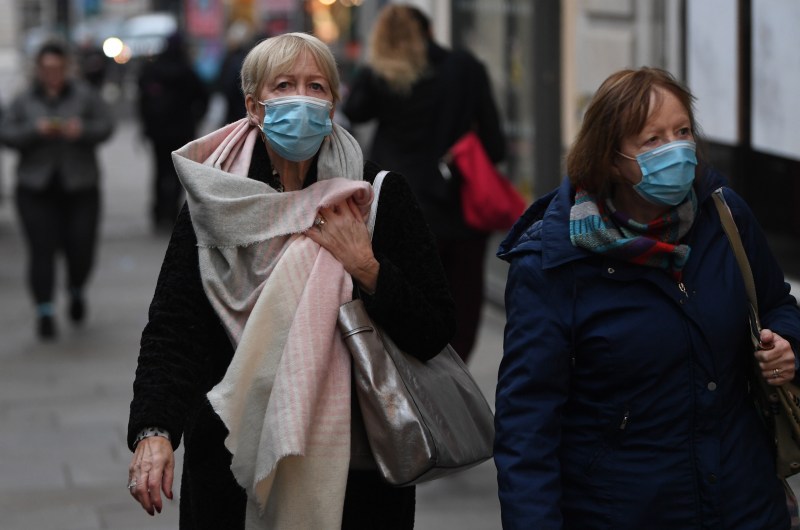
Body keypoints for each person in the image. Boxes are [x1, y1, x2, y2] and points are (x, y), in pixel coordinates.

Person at [125, 32, 455, 529]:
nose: (302, 98)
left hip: (355, 466)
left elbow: (433, 328)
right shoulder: (216, 206)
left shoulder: (375, 197)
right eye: (284, 85)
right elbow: (175, 328)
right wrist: (155, 429)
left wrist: (366, 266)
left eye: (316, 86)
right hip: (231, 458)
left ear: (333, 104)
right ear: (254, 106)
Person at [494, 67, 800, 528]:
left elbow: (778, 303)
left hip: (744, 503)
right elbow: (526, 428)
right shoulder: (553, 263)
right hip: (623, 509)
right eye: (652, 140)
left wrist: (786, 344)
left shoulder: (725, 216)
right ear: (611, 158)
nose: (675, 150)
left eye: (682, 132)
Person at [342, 4, 505, 363]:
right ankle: (453, 389)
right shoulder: (466, 69)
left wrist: (372, 66)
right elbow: (495, 145)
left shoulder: (381, 75)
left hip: (392, 210)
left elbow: (354, 110)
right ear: (431, 33)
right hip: (456, 210)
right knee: (460, 316)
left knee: (400, 307)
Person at [0, 40, 114, 339]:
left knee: (81, 249)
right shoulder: (23, 100)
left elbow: (106, 125)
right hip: (35, 189)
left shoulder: (85, 95)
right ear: (38, 69)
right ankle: (45, 311)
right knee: (41, 251)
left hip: (80, 187)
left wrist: (82, 131)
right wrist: (33, 131)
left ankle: (76, 289)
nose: (51, 73)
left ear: (66, 68)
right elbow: (7, 133)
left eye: (57, 68)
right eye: (46, 68)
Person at [137, 31, 209, 231]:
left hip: (158, 132)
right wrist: (195, 118)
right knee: (178, 173)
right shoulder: (187, 70)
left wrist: (145, 125)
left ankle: (159, 212)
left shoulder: (152, 70)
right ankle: (171, 211)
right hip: (182, 131)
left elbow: (142, 101)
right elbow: (203, 97)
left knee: (159, 171)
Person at [214, 20, 253, 126]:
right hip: (240, 110)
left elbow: (227, 85)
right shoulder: (245, 58)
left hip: (236, 111)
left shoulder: (233, 60)